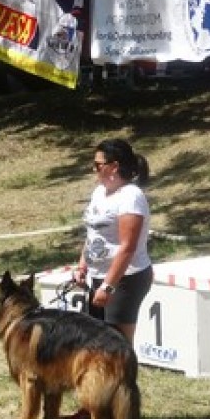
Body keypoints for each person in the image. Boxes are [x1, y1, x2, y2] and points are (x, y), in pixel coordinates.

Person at [72, 138, 154, 343]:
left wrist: (108, 286)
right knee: (96, 344)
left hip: (125, 279)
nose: (94, 170)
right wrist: (82, 266)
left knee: (118, 346)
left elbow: (128, 247)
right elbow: (93, 234)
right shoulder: (99, 192)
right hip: (98, 275)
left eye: (98, 165)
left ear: (114, 166)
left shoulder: (131, 196)